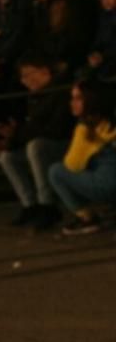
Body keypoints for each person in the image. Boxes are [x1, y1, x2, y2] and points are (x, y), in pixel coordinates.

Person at [0, 53, 74, 229]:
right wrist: (13, 139)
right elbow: (31, 128)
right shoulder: (36, 98)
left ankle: (47, 204)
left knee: (36, 146)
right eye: (23, 76)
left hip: (63, 144)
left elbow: (55, 129)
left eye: (29, 74)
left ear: (45, 72)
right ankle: (29, 204)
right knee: (7, 157)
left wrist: (18, 136)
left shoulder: (60, 92)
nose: (25, 80)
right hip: (41, 142)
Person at [48, 79, 116, 235]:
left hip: (108, 186)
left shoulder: (86, 128)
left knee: (56, 171)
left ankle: (87, 218)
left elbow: (72, 165)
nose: (72, 103)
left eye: (78, 98)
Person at [84, 0, 116, 79]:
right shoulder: (104, 16)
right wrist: (94, 52)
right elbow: (99, 39)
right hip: (104, 60)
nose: (106, 0)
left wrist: (103, 56)